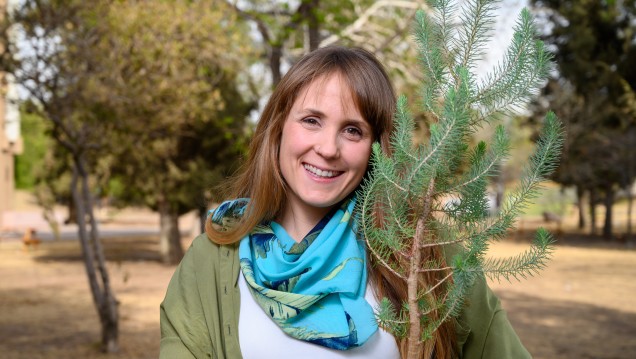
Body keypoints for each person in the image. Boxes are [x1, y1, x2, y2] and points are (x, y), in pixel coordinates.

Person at [160, 46, 531, 359]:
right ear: (278, 127)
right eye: (311, 120)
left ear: (377, 148)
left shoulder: (424, 253)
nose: (327, 149)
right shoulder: (212, 260)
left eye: (353, 130)